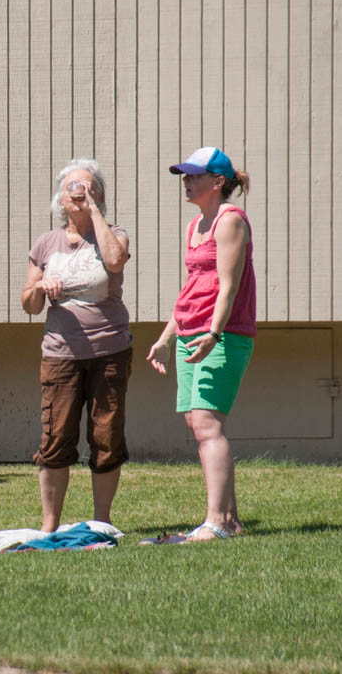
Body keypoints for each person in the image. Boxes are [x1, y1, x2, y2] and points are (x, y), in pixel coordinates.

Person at [145, 146, 255, 542]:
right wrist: (164, 338)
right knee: (197, 423)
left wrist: (213, 333)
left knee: (208, 424)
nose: (186, 182)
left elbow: (229, 285)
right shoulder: (195, 226)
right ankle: (231, 520)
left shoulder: (231, 221)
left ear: (218, 182)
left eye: (193, 176)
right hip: (191, 332)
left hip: (221, 335)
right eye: (184, 176)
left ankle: (215, 523)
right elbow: (194, 287)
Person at [21, 159, 134, 532]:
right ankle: (50, 526)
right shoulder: (46, 242)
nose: (78, 193)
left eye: (87, 187)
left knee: (106, 434)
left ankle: (102, 523)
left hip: (109, 350)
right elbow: (28, 304)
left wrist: (95, 213)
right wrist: (40, 288)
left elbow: (115, 262)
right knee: (56, 437)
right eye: (72, 187)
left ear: (99, 195)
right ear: (59, 198)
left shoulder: (114, 233)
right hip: (60, 354)